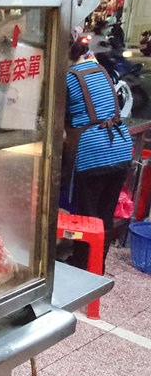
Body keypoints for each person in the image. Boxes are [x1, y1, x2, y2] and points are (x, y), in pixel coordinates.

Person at [64, 38, 132, 267]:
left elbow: (58, 118)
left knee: (88, 218)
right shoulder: (99, 69)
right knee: (104, 215)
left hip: (94, 152)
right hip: (120, 148)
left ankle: (83, 269)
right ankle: (96, 267)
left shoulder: (68, 77)